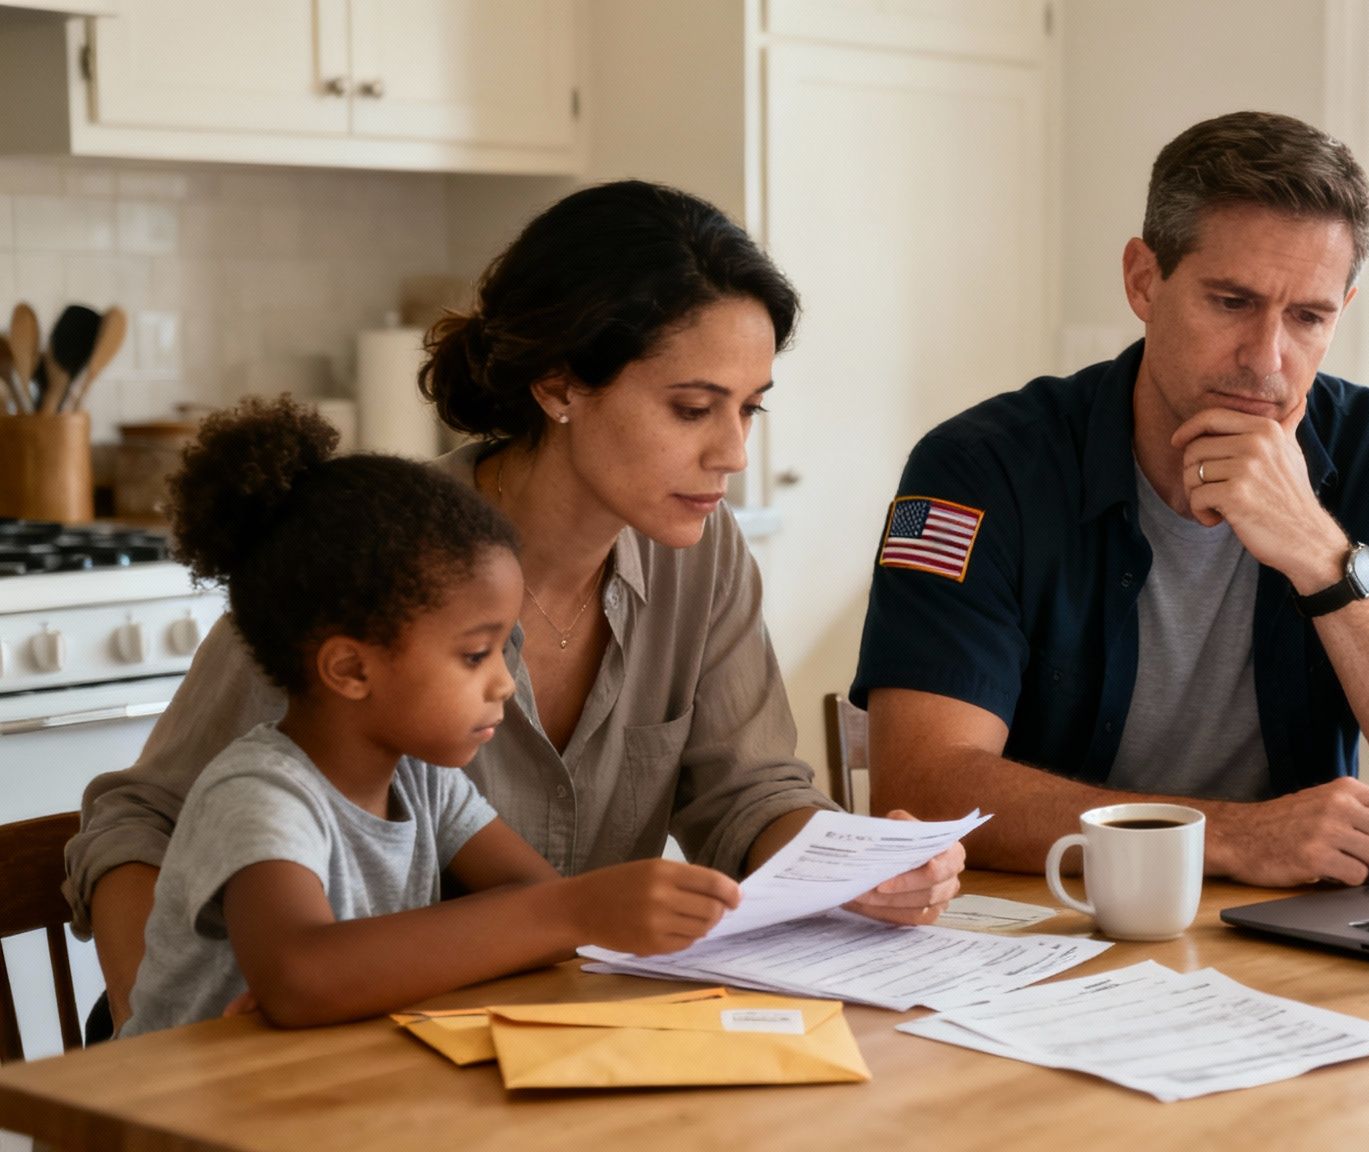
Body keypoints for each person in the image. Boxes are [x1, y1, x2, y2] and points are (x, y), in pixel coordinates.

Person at [68, 181, 962, 1037]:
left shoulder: (704, 553)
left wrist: (855, 869)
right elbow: (142, 822)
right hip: (314, 1066)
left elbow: (748, 792)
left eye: (749, 410)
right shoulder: (376, 563)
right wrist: (167, 1028)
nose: (732, 453)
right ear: (560, 386)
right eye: (692, 408)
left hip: (512, 1040)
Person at [852, 111, 1369, 888]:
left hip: (1291, 936)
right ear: (1144, 280)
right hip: (1053, 921)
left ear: (1341, 313)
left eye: (1308, 318)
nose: (1266, 360)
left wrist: (1324, 556)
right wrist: (1234, 838)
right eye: (1232, 302)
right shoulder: (976, 468)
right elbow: (921, 786)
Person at [124, 398, 750, 1034]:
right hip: (177, 1116)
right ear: (350, 670)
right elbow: (302, 978)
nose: (505, 683)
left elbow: (534, 904)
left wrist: (369, 970)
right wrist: (574, 911)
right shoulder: (260, 795)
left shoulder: (423, 783)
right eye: (475, 654)